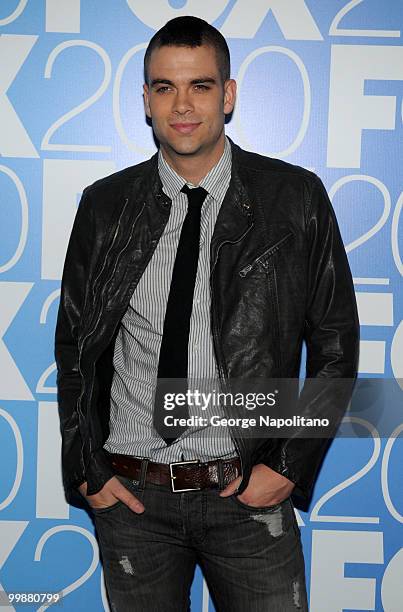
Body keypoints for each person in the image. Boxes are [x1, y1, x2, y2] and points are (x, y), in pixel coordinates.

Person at [55, 15, 359, 612]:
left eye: (200, 85)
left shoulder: (293, 199)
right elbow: (75, 350)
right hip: (133, 498)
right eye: (165, 87)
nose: (183, 105)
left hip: (247, 495)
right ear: (145, 100)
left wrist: (287, 467)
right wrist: (88, 469)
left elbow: (336, 347)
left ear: (230, 93)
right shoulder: (104, 205)